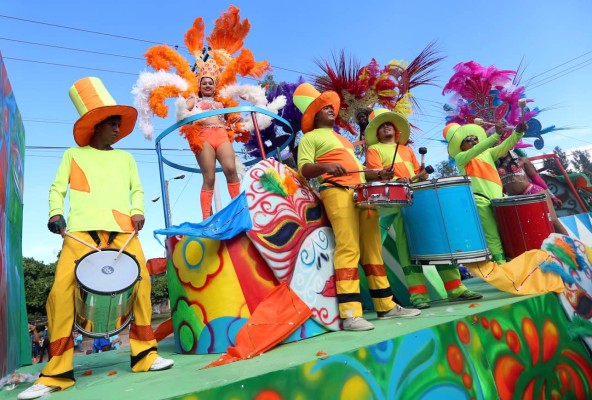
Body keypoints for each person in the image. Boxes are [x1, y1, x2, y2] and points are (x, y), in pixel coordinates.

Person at [18, 77, 174, 400]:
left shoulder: (126, 159)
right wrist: (54, 213)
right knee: (60, 294)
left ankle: (145, 355)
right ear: (97, 125)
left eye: (119, 123)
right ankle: (57, 374)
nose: (118, 128)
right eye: (112, 123)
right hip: (78, 234)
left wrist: (137, 210)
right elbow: (56, 189)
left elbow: (137, 190)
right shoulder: (72, 156)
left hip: (122, 233)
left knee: (143, 283)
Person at [294, 83, 420, 332]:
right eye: (324, 108)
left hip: (362, 194)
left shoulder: (344, 140)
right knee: (348, 248)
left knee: (373, 250)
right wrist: (325, 168)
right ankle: (350, 314)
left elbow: (361, 172)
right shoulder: (309, 138)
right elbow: (304, 168)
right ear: (314, 115)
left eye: (332, 107)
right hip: (335, 192)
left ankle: (386, 306)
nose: (331, 109)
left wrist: (378, 174)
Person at [365, 109, 482, 308]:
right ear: (377, 133)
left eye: (390, 124)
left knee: (436, 239)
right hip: (398, 201)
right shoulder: (374, 149)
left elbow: (418, 172)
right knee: (407, 247)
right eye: (383, 125)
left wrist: (422, 174)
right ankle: (418, 295)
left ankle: (455, 288)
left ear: (396, 131)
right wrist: (387, 176)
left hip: (419, 197)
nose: (387, 126)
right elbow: (371, 174)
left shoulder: (407, 150)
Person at [443, 120, 526, 264]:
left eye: (475, 137)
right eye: (468, 139)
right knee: (493, 236)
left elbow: (505, 145)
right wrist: (495, 135)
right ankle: (502, 268)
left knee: (512, 232)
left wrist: (518, 132)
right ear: (460, 146)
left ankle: (519, 264)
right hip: (481, 201)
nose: (474, 141)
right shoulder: (461, 158)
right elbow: (477, 149)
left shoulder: (487, 152)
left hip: (500, 199)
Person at [184, 58, 240, 220]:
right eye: (204, 83)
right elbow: (183, 111)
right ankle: (207, 218)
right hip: (204, 137)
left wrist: (236, 119)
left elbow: (235, 117)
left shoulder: (222, 102)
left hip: (222, 135)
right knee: (209, 177)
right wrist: (192, 97)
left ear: (215, 87)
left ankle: (238, 210)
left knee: (230, 169)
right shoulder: (195, 100)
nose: (208, 85)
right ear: (200, 86)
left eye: (211, 83)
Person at [495, 148, 569, 235]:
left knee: (552, 220)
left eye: (502, 145)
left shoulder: (522, 160)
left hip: (533, 192)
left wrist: (553, 196)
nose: (500, 147)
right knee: (530, 226)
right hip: (516, 200)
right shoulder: (495, 165)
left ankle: (572, 246)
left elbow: (536, 178)